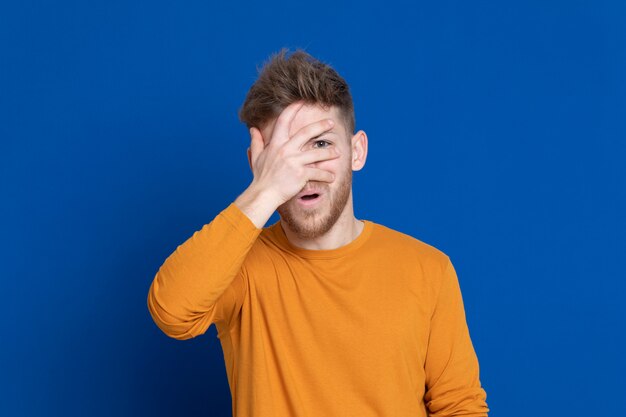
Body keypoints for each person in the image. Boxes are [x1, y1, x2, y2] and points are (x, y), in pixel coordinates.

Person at [147, 48, 489, 417]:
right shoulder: (240, 268)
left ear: (357, 151)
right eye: (284, 154)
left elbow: (460, 406)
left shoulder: (428, 270)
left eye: (321, 145)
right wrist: (265, 190)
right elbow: (171, 311)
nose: (304, 171)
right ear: (260, 165)